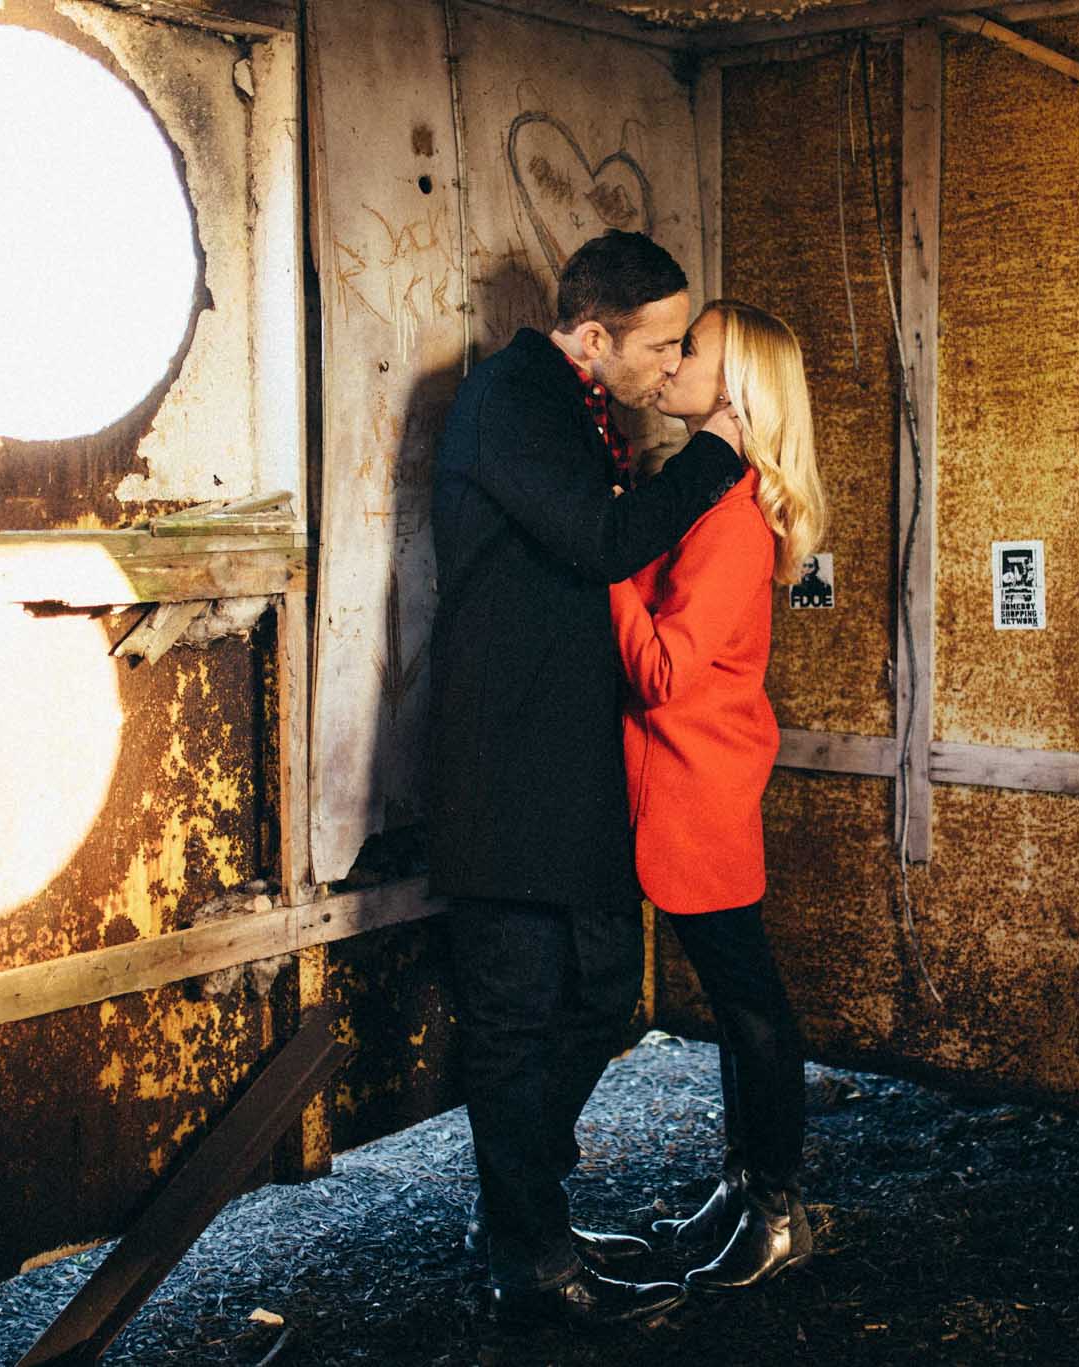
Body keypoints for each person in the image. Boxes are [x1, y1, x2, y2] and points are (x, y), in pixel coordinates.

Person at [425, 231, 746, 1330]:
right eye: (658, 345)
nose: (671, 366)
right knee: (517, 1016)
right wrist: (716, 452)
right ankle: (527, 1256)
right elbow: (603, 539)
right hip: (502, 767)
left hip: (566, 763)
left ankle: (525, 1207)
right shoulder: (514, 396)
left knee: (602, 990)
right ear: (595, 335)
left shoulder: (575, 408)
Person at [607, 299, 827, 1292]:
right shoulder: (702, 492)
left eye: (688, 347)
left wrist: (598, 563)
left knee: (751, 1006)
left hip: (693, 789)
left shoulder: (730, 522)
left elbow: (660, 669)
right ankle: (746, 1188)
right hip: (689, 781)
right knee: (742, 1002)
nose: (669, 360)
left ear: (732, 385)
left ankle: (776, 1210)